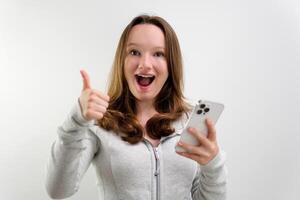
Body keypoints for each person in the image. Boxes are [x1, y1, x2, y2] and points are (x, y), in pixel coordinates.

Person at [46, 14, 227, 200]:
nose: (145, 65)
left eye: (158, 54)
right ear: (122, 61)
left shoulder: (189, 120)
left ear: (171, 64)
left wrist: (212, 165)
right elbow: (58, 191)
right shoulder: (100, 122)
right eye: (134, 52)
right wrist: (77, 119)